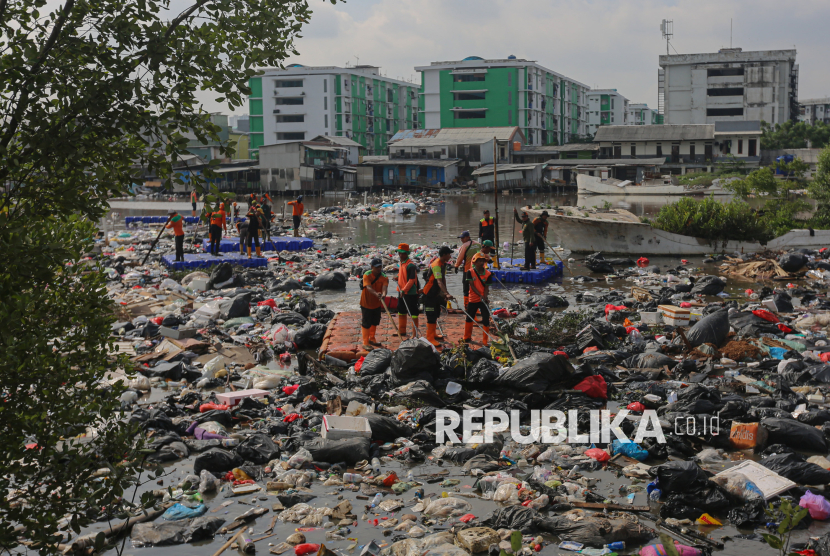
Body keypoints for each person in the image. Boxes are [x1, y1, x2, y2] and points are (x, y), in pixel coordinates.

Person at [422, 245, 454, 347]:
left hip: (436, 293)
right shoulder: (436, 265)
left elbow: (443, 280)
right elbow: (439, 281)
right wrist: (446, 293)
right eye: (449, 254)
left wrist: (445, 292)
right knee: (431, 315)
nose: (450, 256)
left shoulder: (443, 264)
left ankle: (434, 334)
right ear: (444, 255)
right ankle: (429, 338)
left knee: (436, 313)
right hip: (429, 293)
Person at [463, 252, 493, 344]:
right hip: (473, 298)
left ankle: (485, 340)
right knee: (469, 317)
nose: (481, 263)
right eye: (479, 261)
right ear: (474, 262)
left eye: (482, 261)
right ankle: (467, 337)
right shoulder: (470, 272)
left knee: (486, 318)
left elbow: (487, 288)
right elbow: (471, 285)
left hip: (483, 299)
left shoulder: (488, 274)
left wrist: (484, 297)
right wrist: (480, 295)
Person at [360, 258, 389, 350]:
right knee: (366, 322)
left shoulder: (384, 276)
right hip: (366, 302)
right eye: (377, 267)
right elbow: (368, 287)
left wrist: (383, 295)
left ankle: (372, 338)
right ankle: (365, 342)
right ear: (372, 267)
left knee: (375, 321)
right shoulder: (367, 275)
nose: (379, 269)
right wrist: (376, 294)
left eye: (380, 267)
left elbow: (384, 287)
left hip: (377, 303)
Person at [394, 243, 420, 338]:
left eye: (403, 253)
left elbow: (412, 280)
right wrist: (397, 277)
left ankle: (415, 334)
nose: (401, 255)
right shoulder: (401, 263)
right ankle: (402, 330)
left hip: (410, 292)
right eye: (399, 253)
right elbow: (402, 274)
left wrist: (404, 290)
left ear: (407, 253)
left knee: (413, 312)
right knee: (401, 310)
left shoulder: (411, 265)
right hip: (401, 291)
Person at [454, 230, 480, 306]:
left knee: (466, 288)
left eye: (463, 238)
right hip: (477, 270)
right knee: (476, 287)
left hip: (468, 270)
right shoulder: (478, 244)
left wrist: (456, 266)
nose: (461, 240)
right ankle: (476, 305)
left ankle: (467, 306)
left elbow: (460, 258)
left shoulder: (465, 246)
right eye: (461, 238)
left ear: (468, 237)